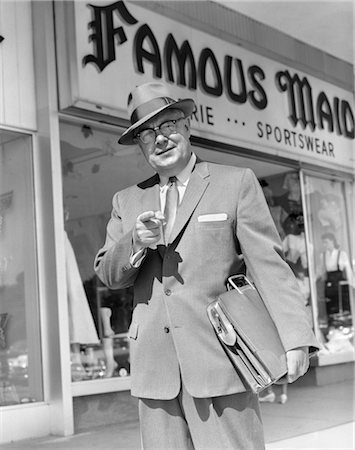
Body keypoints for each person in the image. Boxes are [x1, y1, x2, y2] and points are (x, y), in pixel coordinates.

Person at [94, 82, 319, 449]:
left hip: (222, 361)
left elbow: (269, 266)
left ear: (185, 125)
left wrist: (296, 339)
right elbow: (107, 274)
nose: (160, 139)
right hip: (155, 373)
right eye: (148, 134)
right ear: (140, 144)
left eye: (167, 126)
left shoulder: (235, 183)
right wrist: (134, 241)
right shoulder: (127, 201)